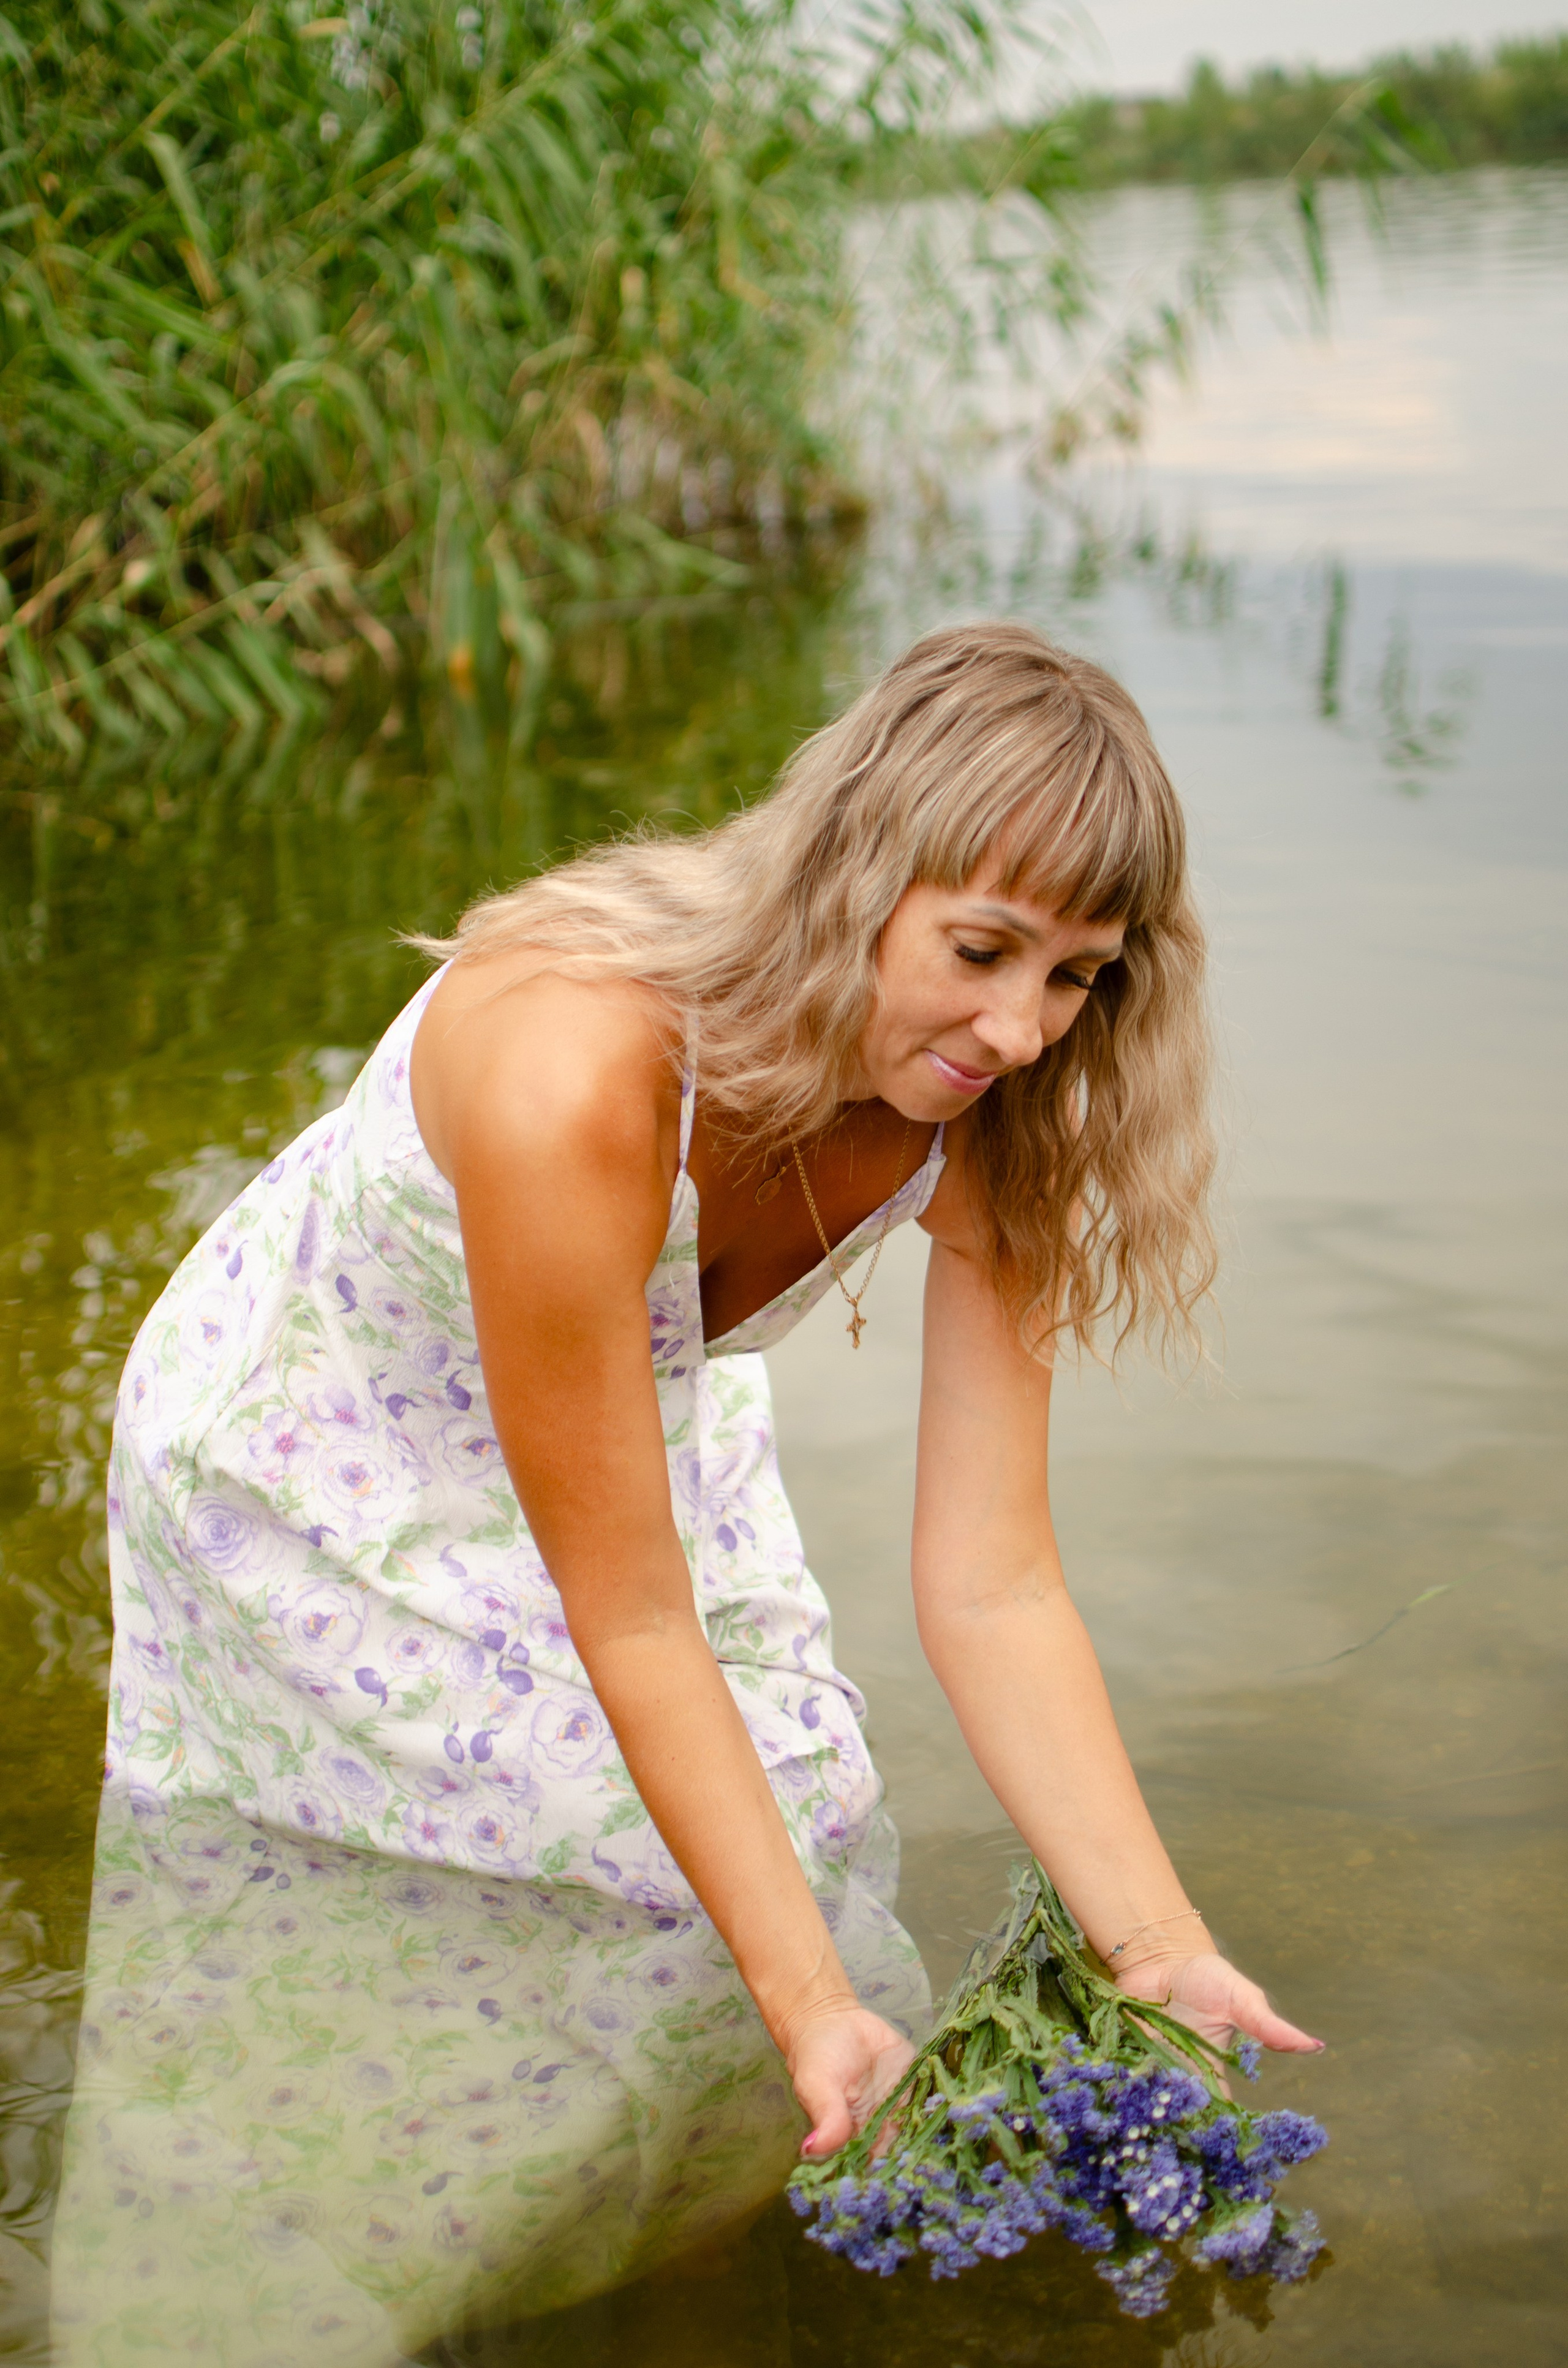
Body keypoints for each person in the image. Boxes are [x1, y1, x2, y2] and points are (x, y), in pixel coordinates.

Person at [99, 620, 1321, 2241]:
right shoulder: (579, 1066)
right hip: (322, 1443)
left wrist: (1153, 1943)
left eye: (1077, 974)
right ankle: (351, 2221)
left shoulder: (994, 1103)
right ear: (856, 873)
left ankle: (653, 2232)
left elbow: (995, 1582)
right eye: (983, 949)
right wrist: (810, 1999)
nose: (1025, 1029)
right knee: (489, 1881)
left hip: (624, 1398)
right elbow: (632, 1610)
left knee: (799, 1812)